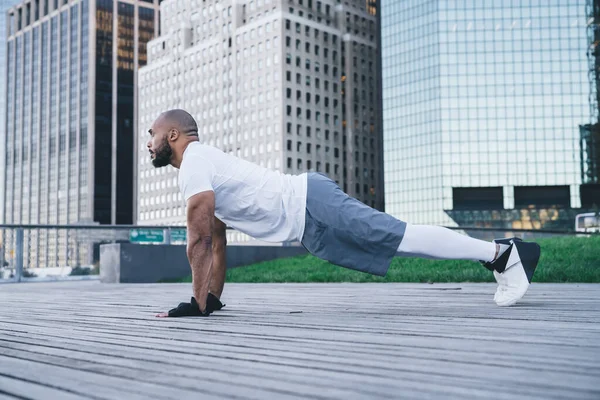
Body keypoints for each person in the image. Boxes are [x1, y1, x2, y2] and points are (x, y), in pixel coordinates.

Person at [148, 110, 541, 317]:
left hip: (310, 202)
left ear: (173, 135)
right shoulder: (202, 164)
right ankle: (501, 254)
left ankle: (502, 254)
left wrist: (196, 305)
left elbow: (198, 240)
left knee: (399, 235)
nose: (148, 144)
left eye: (152, 134)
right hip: (308, 224)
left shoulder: (195, 160)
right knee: (395, 247)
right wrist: (210, 297)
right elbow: (216, 238)